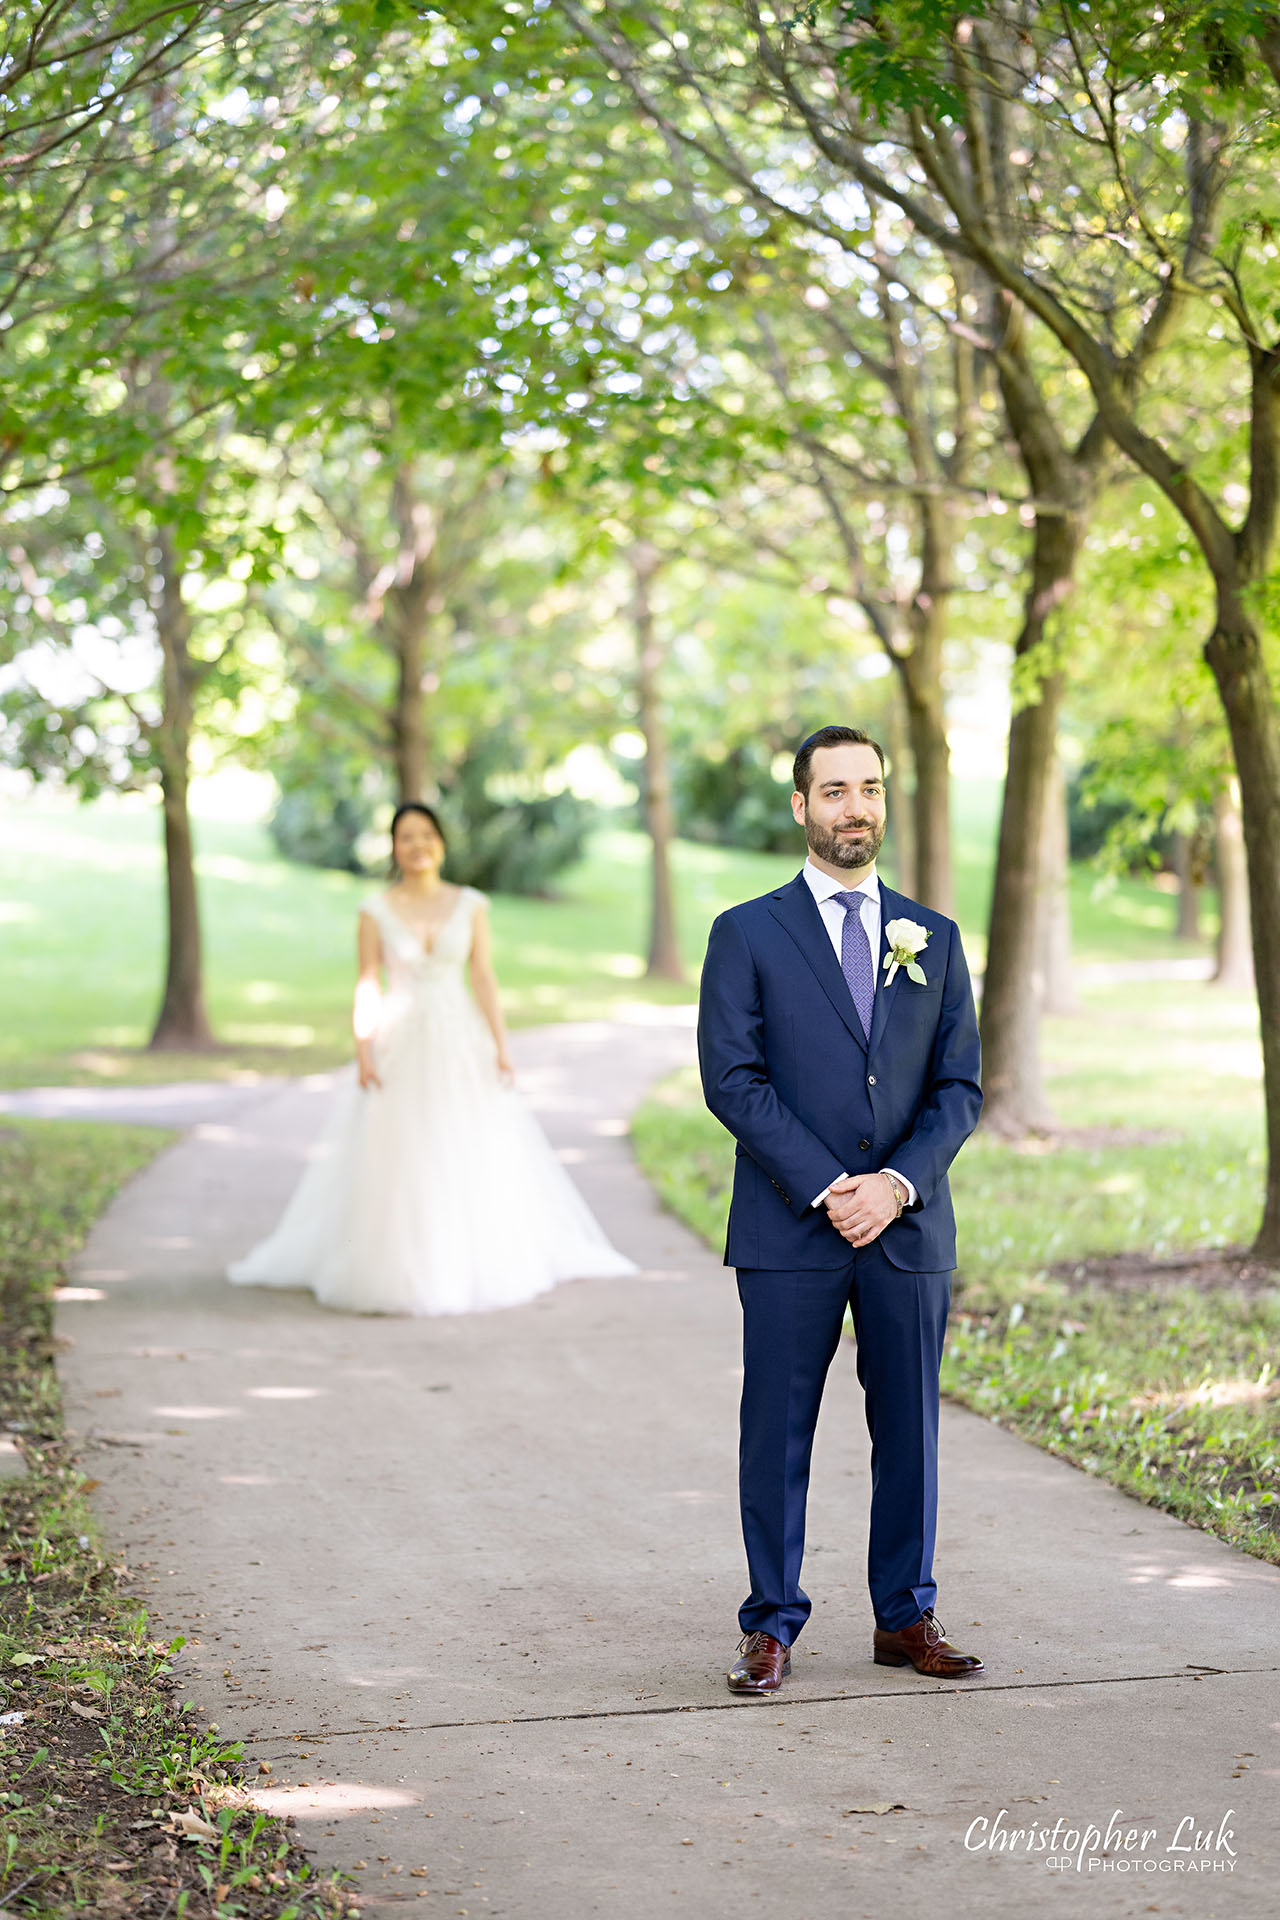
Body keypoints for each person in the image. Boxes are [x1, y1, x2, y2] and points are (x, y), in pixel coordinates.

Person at [697, 725, 984, 1694]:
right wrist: (829, 1187)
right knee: (776, 1429)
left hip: (906, 1228)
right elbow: (731, 1082)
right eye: (832, 790)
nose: (853, 806)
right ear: (799, 806)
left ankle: (903, 1617)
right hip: (789, 1227)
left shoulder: (933, 938)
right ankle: (770, 1623)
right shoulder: (745, 932)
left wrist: (893, 1185)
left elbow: (957, 1089)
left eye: (868, 787)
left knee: (909, 1431)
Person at [228, 800, 636, 1314]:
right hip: (399, 1041)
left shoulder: (470, 905)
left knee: (462, 1142)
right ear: (394, 848)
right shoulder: (374, 911)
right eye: (406, 837)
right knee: (399, 1149)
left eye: (426, 836)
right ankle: (397, 1267)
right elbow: (367, 982)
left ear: (440, 844)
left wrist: (501, 1046)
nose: (417, 846)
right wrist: (363, 1047)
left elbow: (483, 977)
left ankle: (468, 1258)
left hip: (458, 1037)